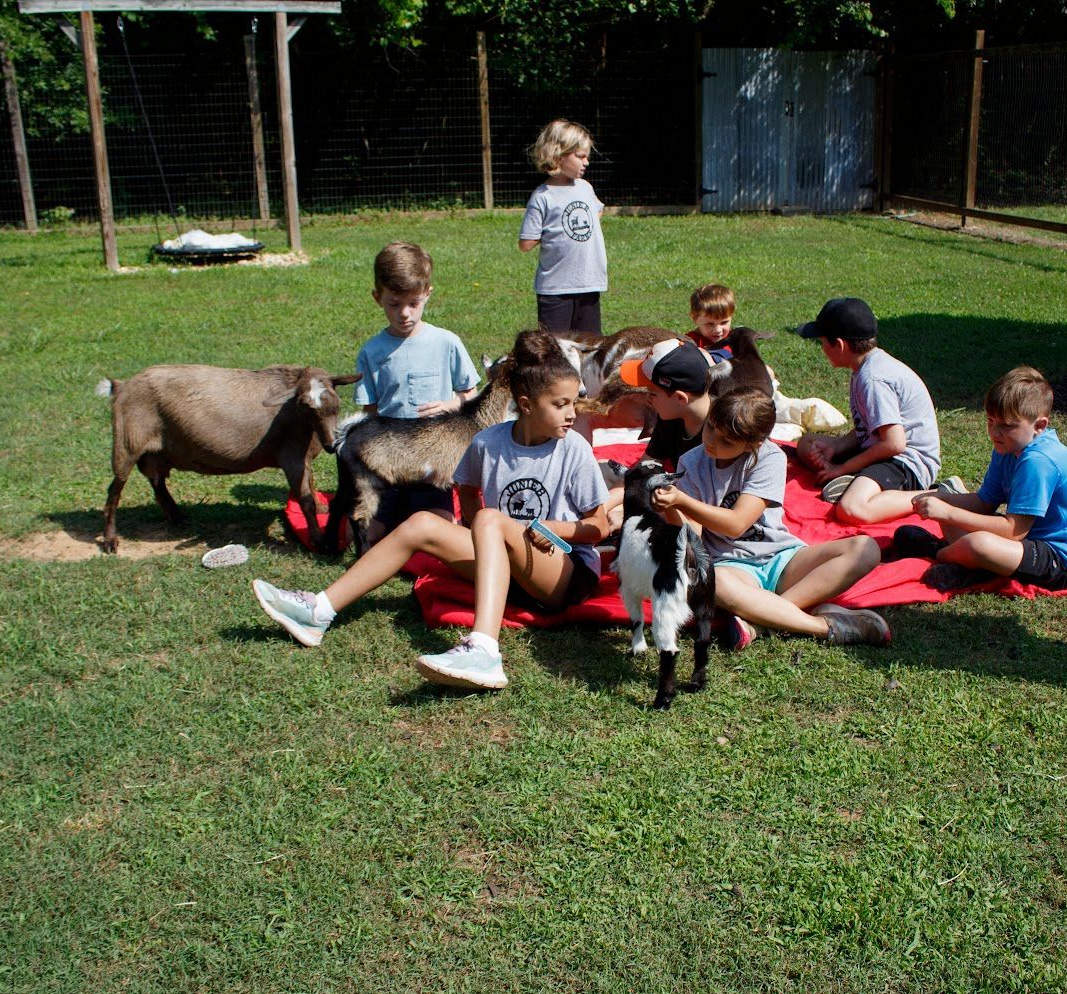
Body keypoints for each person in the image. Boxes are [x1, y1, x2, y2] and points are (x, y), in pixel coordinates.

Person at [253, 332, 610, 692]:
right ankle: (319, 610)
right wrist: (484, 539)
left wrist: (552, 530)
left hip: (564, 572)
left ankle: (484, 650)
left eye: (572, 403)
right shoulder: (488, 442)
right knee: (422, 523)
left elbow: (599, 526)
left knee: (488, 519)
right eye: (561, 404)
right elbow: (467, 491)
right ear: (527, 404)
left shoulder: (573, 449)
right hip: (509, 566)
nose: (571, 414)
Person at [652, 389, 891, 649]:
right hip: (731, 566)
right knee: (710, 581)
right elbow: (693, 536)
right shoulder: (691, 461)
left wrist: (683, 501)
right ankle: (824, 627)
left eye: (727, 441)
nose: (711, 441)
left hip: (781, 556)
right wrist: (671, 508)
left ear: (754, 444)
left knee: (866, 549)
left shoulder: (769, 457)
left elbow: (736, 523)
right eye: (710, 428)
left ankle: (762, 621)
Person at [892, 367, 1067, 591]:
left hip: (1065, 561)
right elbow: (984, 502)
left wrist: (948, 512)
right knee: (952, 510)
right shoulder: (1008, 447)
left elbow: (1013, 531)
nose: (995, 432)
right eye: (990, 421)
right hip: (1028, 542)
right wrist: (941, 499)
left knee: (978, 543)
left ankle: (937, 551)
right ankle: (971, 564)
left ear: (1039, 426)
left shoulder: (1038, 461)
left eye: (1007, 425)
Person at [353, 241, 480, 546]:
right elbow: (369, 415)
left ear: (428, 294)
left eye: (413, 303)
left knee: (443, 530)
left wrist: (450, 405)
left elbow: (472, 396)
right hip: (391, 472)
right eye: (393, 304)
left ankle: (410, 528)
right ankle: (397, 528)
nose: (404, 314)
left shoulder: (446, 343)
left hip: (433, 471)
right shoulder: (371, 352)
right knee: (360, 536)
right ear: (377, 298)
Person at [792, 297, 943, 524]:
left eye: (823, 342)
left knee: (852, 509)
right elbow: (872, 427)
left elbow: (894, 443)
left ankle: (939, 494)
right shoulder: (864, 367)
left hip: (905, 463)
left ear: (840, 345)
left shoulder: (873, 379)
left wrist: (843, 467)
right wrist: (837, 447)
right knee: (807, 443)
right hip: (880, 452)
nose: (822, 348)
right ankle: (854, 481)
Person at [519, 119, 607, 335]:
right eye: (580, 156)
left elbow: (597, 211)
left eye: (587, 156)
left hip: (589, 283)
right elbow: (526, 243)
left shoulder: (585, 188)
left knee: (590, 347)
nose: (586, 162)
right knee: (555, 349)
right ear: (558, 155)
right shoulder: (542, 196)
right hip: (555, 289)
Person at [622, 338, 719, 471]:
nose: (647, 399)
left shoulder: (722, 432)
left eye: (652, 393)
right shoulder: (671, 416)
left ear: (680, 398)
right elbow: (647, 463)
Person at [686, 283, 742, 359]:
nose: (718, 330)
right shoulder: (690, 344)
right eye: (710, 324)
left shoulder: (736, 341)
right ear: (694, 318)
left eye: (724, 322)